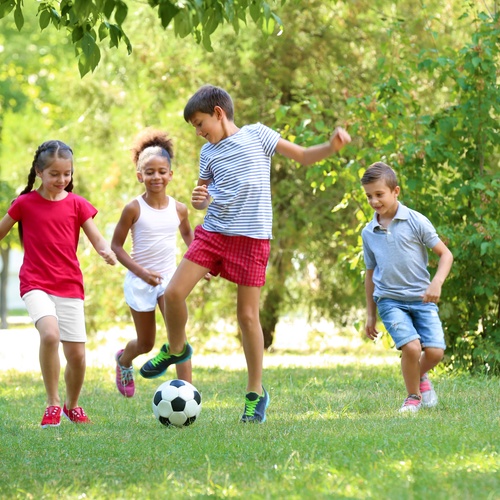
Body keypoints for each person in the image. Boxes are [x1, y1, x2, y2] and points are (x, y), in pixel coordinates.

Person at [140, 84, 352, 423]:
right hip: (213, 233)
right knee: (173, 293)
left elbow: (301, 155)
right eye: (193, 127)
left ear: (219, 114)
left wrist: (331, 146)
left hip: (252, 239)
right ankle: (176, 348)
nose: (197, 133)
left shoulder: (258, 136)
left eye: (199, 123)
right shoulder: (208, 153)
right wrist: (200, 201)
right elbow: (205, 195)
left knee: (247, 317)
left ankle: (255, 393)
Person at [0, 140, 117, 428]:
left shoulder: (77, 204)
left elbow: (96, 236)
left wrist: (106, 250)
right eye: (54, 174)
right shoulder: (24, 203)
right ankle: (52, 403)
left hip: (69, 285)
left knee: (76, 355)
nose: (61, 180)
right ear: (39, 172)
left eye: (67, 174)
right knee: (50, 335)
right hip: (35, 282)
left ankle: (71, 405)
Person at [360, 162, 453, 413]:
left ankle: (419, 376)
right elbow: (370, 274)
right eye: (369, 195)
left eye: (379, 194)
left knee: (435, 352)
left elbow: (445, 255)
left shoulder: (415, 221)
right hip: (389, 300)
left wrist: (437, 282)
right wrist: (370, 313)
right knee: (411, 348)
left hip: (422, 298)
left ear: (395, 191)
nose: (374, 200)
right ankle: (412, 396)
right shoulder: (368, 232)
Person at [111, 129, 197, 398]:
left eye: (162, 171)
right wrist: (141, 272)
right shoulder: (133, 209)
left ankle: (188, 392)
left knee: (178, 337)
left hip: (169, 281)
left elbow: (188, 236)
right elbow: (116, 246)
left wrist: (199, 263)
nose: (156, 177)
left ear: (171, 174)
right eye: (149, 172)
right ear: (140, 176)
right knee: (146, 343)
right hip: (140, 281)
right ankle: (124, 360)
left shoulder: (179, 209)